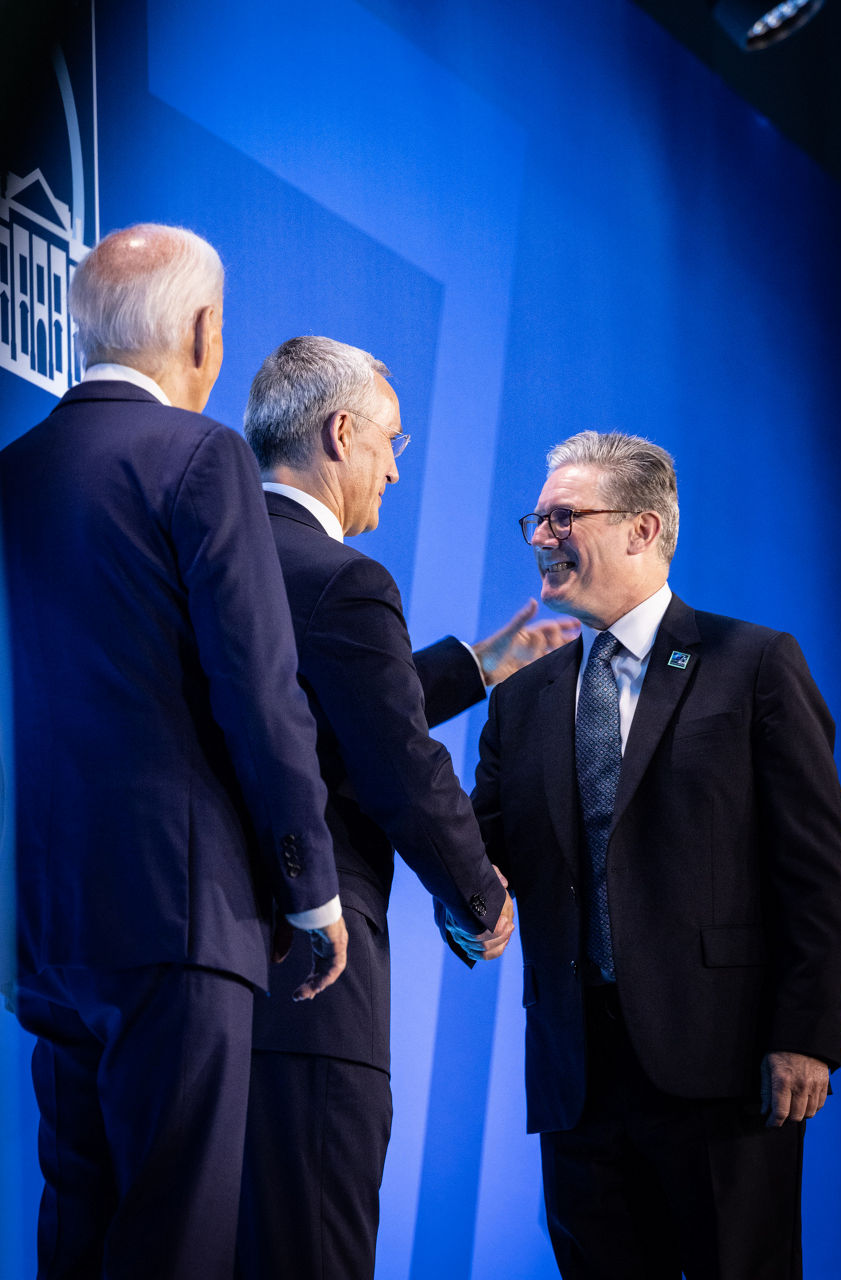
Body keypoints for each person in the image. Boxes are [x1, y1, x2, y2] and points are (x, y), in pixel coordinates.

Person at [0, 225, 347, 1280]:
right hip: (181, 911)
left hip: (47, 926)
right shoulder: (201, 455)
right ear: (202, 333)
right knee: (177, 1237)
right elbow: (258, 686)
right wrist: (311, 887)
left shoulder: (15, 469)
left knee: (80, 1224)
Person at [445, 430, 841, 1278]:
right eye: (537, 519)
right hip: (577, 1077)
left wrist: (805, 1034)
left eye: (564, 517)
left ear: (643, 529)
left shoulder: (754, 664)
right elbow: (485, 844)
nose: (539, 537)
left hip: (726, 1070)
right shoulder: (523, 691)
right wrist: (466, 902)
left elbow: (815, 871)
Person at [236, 335, 575, 1280]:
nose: (393, 463)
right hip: (310, 989)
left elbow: (301, 713)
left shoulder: (200, 553)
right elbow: (398, 767)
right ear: (341, 433)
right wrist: (483, 898)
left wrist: (480, 664)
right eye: (391, 439)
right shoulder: (344, 579)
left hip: (195, 982)